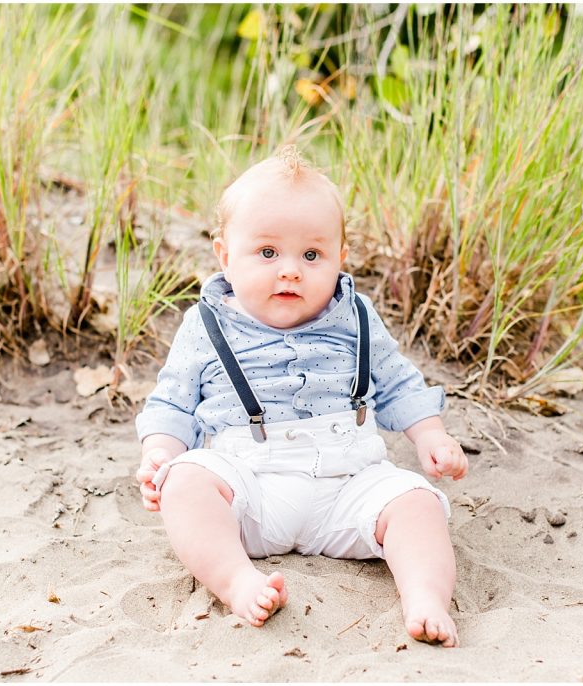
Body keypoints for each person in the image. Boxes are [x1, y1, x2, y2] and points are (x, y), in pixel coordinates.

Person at [134, 145, 469, 647]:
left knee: (416, 504)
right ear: (225, 255)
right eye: (267, 253)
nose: (290, 270)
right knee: (186, 484)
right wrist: (159, 452)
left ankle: (424, 597)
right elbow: (174, 400)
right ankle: (236, 578)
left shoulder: (355, 315)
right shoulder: (206, 324)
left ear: (340, 257)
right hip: (246, 486)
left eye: (312, 255)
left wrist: (431, 435)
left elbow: (398, 381)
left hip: (348, 480)